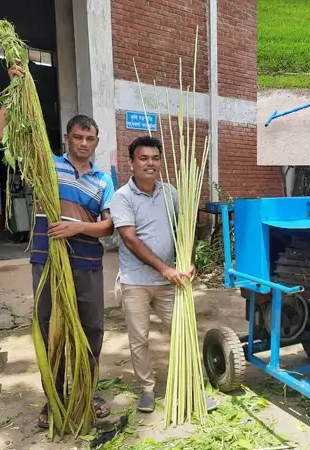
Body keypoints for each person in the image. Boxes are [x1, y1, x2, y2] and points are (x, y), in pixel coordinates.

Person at [0, 59, 114, 429]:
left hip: (88, 263)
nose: (83, 143)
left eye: (89, 138)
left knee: (91, 327)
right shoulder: (47, 164)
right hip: (47, 260)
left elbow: (109, 225)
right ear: (67, 139)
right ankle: (55, 398)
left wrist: (77, 228)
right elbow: (2, 135)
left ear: (95, 142)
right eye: (77, 137)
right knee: (50, 328)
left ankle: (88, 392)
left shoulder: (103, 180)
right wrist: (14, 92)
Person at [110, 135, 218, 413]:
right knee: (139, 340)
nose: (150, 163)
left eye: (155, 158)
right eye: (143, 158)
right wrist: (164, 268)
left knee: (184, 332)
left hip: (172, 281)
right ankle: (147, 389)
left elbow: (187, 228)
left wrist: (188, 260)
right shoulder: (121, 197)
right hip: (136, 282)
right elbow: (130, 239)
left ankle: (193, 387)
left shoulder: (170, 192)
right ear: (132, 162)